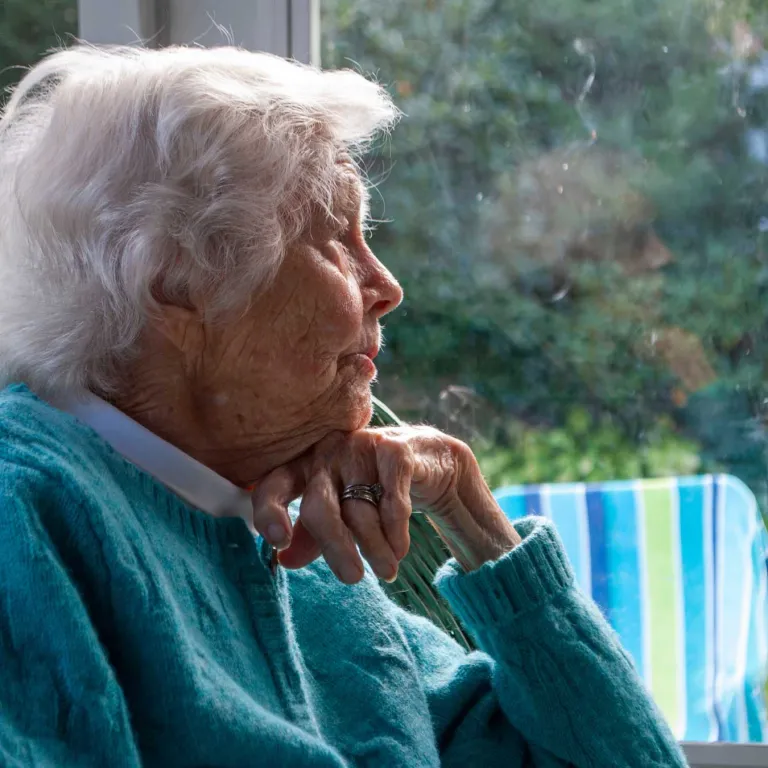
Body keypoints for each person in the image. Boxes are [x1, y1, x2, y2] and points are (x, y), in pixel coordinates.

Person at [0, 44, 688, 767]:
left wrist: (467, 505)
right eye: (332, 236)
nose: (386, 284)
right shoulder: (28, 521)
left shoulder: (310, 559)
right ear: (176, 280)